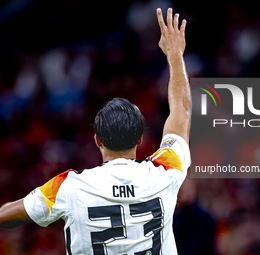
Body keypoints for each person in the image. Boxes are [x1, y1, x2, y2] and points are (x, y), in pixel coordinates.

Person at [0, 7, 191, 255]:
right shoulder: (165, 172)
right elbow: (182, 111)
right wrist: (175, 55)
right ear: (140, 139)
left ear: (97, 140)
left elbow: (9, 215)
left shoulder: (69, 187)